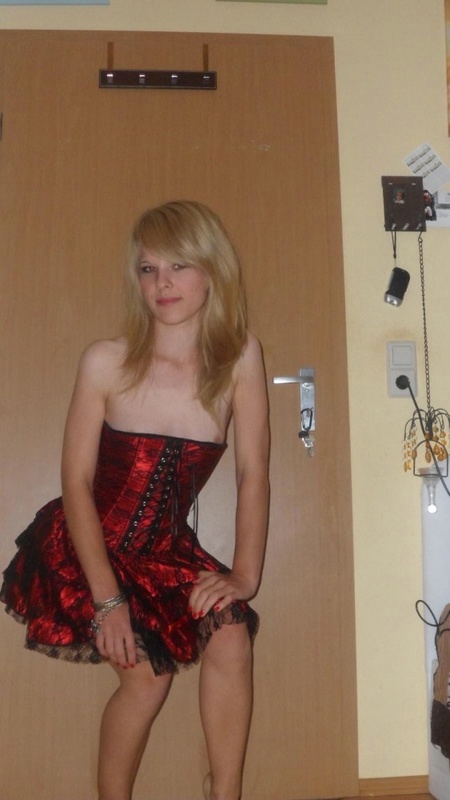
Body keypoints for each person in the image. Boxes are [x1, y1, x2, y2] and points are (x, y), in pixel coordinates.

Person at [0, 200, 270, 800]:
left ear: (213, 271)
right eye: (148, 269)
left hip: (163, 552)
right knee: (146, 679)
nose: (162, 283)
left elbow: (254, 473)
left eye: (178, 266)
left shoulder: (239, 359)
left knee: (231, 632)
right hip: (86, 547)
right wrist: (107, 601)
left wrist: (245, 574)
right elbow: (75, 480)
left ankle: (225, 792)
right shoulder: (106, 360)